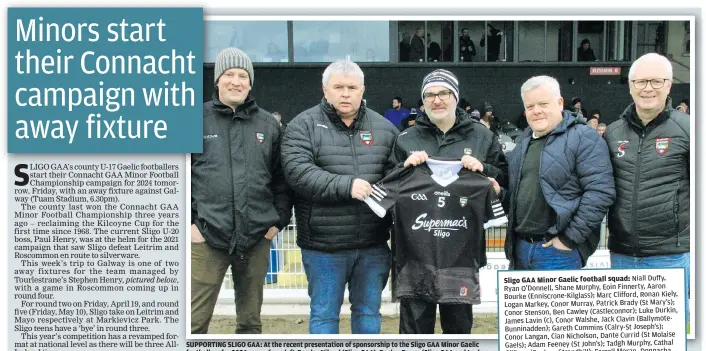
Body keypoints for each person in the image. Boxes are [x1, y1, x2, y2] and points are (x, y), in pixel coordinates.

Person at [281, 59, 399, 334]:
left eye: (352, 87)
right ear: (325, 90)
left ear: (362, 90)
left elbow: (396, 178)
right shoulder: (303, 126)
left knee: (369, 314)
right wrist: (346, 185)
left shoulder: (385, 129)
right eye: (338, 87)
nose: (345, 93)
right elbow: (298, 173)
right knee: (324, 317)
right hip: (324, 247)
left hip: (373, 245)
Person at [390, 69, 508, 334]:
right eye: (430, 95)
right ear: (423, 101)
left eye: (444, 93)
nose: (437, 100)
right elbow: (388, 185)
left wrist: (486, 173)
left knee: (458, 331)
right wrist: (403, 169)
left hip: (461, 256)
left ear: (455, 96)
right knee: (414, 332)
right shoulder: (405, 139)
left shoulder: (482, 136)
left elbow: (504, 183)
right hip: (414, 256)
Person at [191, 48, 293, 334]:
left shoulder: (268, 125)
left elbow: (281, 180)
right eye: (229, 75)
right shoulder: (194, 119)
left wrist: (277, 221)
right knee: (193, 322)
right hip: (206, 236)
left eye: (242, 76)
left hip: (256, 237)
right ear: (217, 80)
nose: (236, 81)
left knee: (250, 323)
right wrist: (189, 223)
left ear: (250, 83)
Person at [604, 53, 690, 315]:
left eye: (656, 81)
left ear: (668, 85)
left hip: (670, 255)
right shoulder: (613, 133)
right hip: (621, 254)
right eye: (641, 81)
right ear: (630, 86)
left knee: (669, 335)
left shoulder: (690, 129)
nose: (648, 88)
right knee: (626, 333)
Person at [504, 75, 615, 271]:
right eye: (530, 107)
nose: (536, 111)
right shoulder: (523, 142)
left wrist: (568, 239)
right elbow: (516, 196)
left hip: (559, 252)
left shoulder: (584, 137)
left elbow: (600, 193)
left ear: (560, 103)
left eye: (543, 104)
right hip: (520, 248)